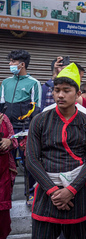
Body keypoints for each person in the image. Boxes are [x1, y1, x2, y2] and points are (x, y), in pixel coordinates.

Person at [26, 63, 86, 239]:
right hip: (46, 191)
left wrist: (70, 190)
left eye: (66, 90)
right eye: (57, 90)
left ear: (78, 94)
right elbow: (32, 159)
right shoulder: (40, 120)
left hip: (76, 192)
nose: (60, 95)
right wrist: (53, 191)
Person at [1, 49, 41, 206]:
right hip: (7, 131)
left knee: (28, 163)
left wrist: (32, 131)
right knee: (5, 162)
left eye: (12, 62)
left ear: (22, 64)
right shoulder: (5, 82)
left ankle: (30, 194)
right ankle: (6, 194)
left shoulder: (33, 83)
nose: (10, 64)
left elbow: (36, 109)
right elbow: (1, 106)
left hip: (25, 130)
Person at [0, 112, 18, 239]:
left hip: (3, 172)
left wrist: (8, 142)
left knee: (2, 214)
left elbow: (14, 140)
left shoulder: (4, 118)